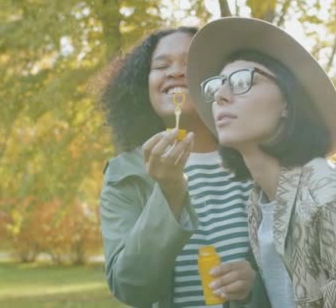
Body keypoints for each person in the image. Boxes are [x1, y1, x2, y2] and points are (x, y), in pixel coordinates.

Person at [186, 17, 336, 308]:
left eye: (242, 81)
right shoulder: (259, 202)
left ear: (287, 102)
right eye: (216, 86)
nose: (221, 96)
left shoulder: (329, 198)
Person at [99, 26, 270, 308]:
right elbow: (131, 289)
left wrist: (256, 283)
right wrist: (169, 193)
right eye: (161, 65)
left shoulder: (254, 158)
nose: (175, 72)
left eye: (189, 63)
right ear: (144, 84)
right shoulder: (123, 174)